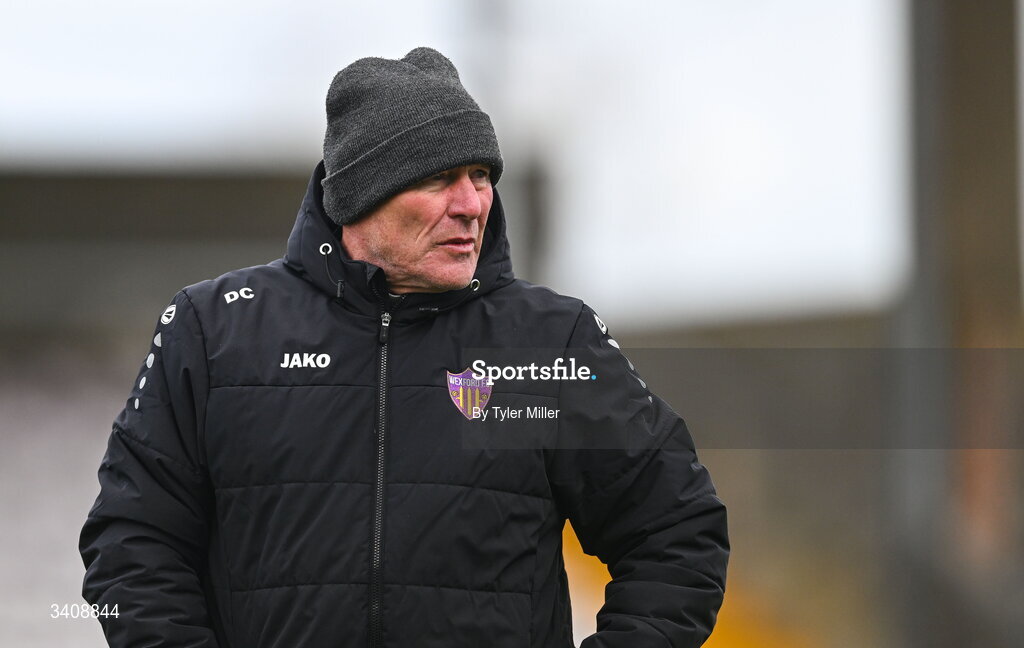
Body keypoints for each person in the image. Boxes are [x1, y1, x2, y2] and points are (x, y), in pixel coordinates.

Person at [80, 47, 729, 648]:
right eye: (441, 177)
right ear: (363, 193)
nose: (473, 203)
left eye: (481, 175)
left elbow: (676, 532)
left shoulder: (550, 340)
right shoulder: (212, 329)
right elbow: (133, 543)